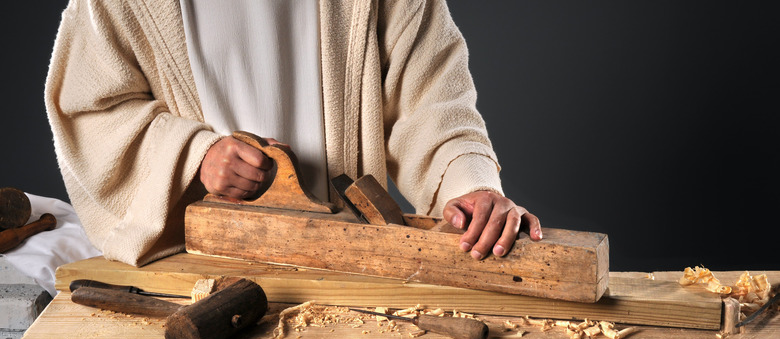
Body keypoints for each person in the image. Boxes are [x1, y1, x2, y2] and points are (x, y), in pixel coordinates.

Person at [45, 0, 541, 268]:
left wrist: (469, 187)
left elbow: (432, 98)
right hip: (201, 273)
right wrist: (194, 154)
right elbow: (89, 110)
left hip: (351, 268)